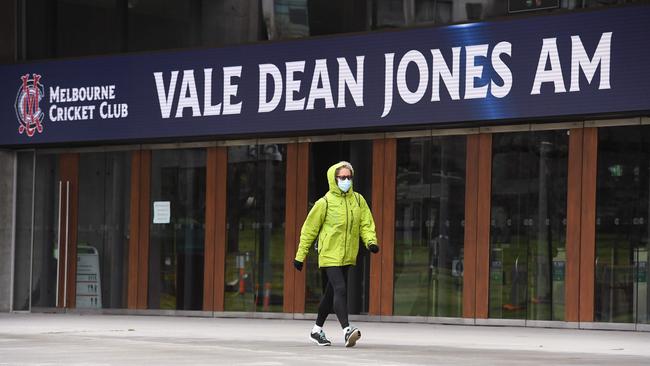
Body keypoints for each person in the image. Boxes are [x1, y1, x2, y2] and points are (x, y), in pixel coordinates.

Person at [293, 161, 380, 347]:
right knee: (340, 289)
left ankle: (316, 330)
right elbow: (309, 230)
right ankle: (347, 330)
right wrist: (300, 256)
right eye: (342, 177)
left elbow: (366, 223)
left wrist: (371, 241)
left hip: (348, 254)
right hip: (329, 254)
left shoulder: (358, 200)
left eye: (349, 177)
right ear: (334, 179)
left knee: (330, 293)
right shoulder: (324, 203)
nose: (346, 180)